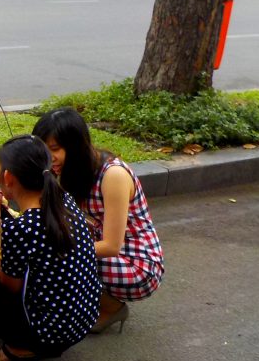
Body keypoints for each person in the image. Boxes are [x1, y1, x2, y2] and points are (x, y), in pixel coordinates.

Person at [33, 107, 164, 334]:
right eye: (44, 150)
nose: (49, 157)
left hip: (138, 264)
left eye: (55, 149)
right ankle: (87, 304)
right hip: (104, 250)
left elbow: (111, 246)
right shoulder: (67, 170)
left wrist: (59, 252)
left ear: (75, 146)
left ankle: (112, 307)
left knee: (58, 261)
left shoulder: (113, 175)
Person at [0, 135, 101, 361]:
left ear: (8, 177)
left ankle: (21, 348)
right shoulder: (65, 201)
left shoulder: (22, 227)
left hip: (47, 334)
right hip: (82, 320)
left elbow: (8, 286)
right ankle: (28, 343)